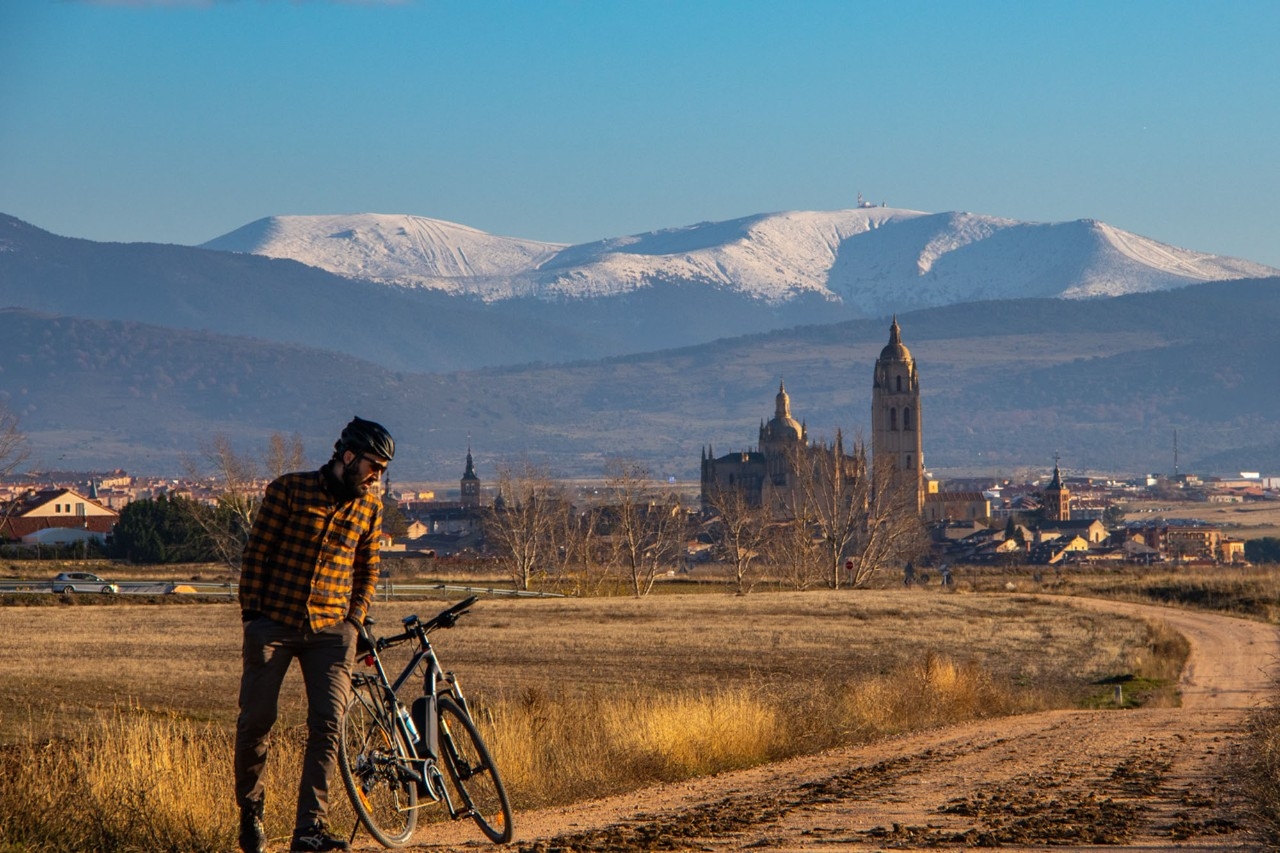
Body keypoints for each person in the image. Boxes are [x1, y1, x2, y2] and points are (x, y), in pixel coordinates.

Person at [234, 417, 394, 853]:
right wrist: (253, 617)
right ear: (348, 456)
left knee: (328, 725)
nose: (377, 476)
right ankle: (251, 813)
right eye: (373, 466)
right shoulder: (288, 490)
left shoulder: (369, 508)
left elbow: (368, 570)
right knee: (256, 722)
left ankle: (310, 830)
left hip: (332, 632)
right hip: (273, 625)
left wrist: (354, 621)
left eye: (382, 468)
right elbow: (257, 554)